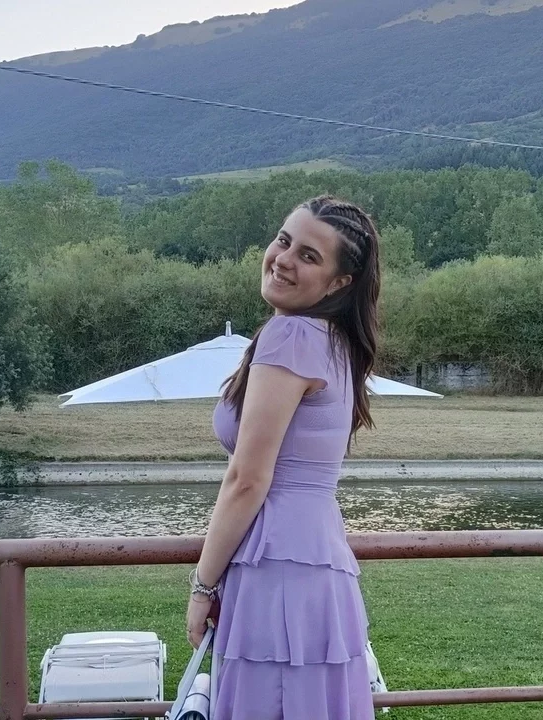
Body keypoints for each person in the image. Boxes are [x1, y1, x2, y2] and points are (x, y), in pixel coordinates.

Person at [186, 195, 381, 719]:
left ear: (339, 283)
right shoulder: (334, 341)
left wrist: (202, 585)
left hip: (276, 570)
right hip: (320, 566)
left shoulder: (290, 334)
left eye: (309, 256)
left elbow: (247, 480)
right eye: (283, 240)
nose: (284, 259)